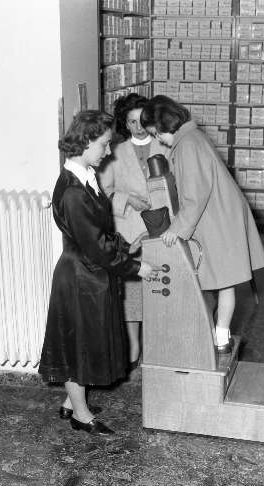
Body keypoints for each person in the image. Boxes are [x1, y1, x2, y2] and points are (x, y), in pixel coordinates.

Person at [38, 110, 160, 436]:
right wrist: (136, 267)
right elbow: (96, 246)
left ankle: (71, 401)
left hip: (89, 273)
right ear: (87, 140)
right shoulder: (73, 191)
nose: (108, 151)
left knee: (86, 341)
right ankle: (81, 415)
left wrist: (127, 246)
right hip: (80, 276)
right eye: (104, 144)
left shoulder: (85, 176)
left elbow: (101, 234)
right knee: (78, 346)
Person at [140, 95, 264, 354]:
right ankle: (221, 336)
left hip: (217, 221)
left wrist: (176, 230)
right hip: (222, 217)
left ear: (164, 125)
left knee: (211, 282)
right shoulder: (193, 137)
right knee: (225, 282)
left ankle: (214, 337)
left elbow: (194, 195)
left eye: (156, 134)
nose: (158, 140)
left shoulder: (187, 145)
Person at [99, 93, 169, 368]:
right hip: (129, 232)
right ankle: (134, 346)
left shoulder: (165, 146)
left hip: (161, 229)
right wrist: (127, 199)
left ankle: (158, 344)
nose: (138, 127)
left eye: (142, 121)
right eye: (131, 122)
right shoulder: (115, 152)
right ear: (124, 124)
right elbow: (103, 191)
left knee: (161, 286)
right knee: (132, 294)